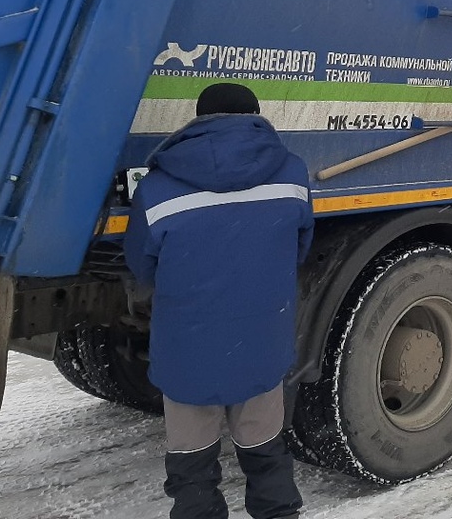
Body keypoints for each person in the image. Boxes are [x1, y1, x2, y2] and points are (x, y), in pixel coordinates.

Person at [125, 82, 313, 519]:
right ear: (255, 118)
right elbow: (299, 247)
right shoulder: (291, 173)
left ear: (198, 121)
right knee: (266, 452)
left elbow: (142, 265)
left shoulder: (157, 188)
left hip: (188, 349)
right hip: (260, 344)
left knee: (191, 464)